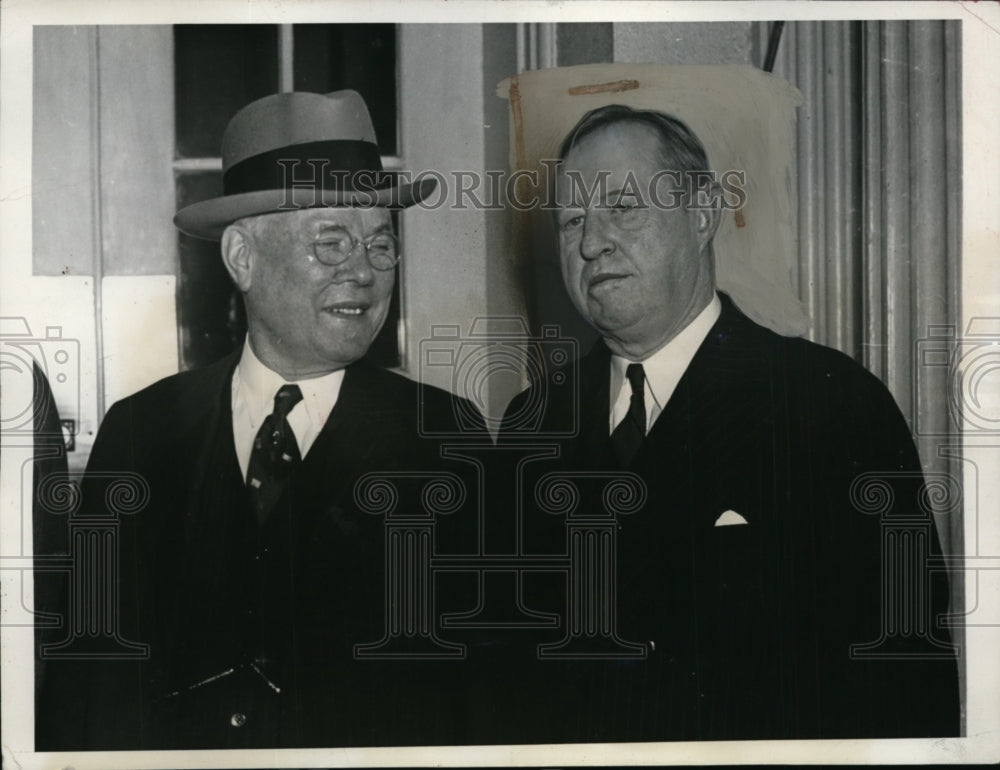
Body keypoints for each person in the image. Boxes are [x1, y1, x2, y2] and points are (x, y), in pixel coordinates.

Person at [36, 90, 483, 750]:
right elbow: (88, 690)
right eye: (331, 241)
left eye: (380, 244)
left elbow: (484, 697)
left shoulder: (446, 438)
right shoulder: (143, 434)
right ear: (242, 257)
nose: (363, 271)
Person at [499, 104, 960, 741]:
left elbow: (907, 669)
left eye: (623, 206)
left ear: (702, 214)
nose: (590, 241)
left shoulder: (829, 404)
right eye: (571, 219)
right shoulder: (531, 424)